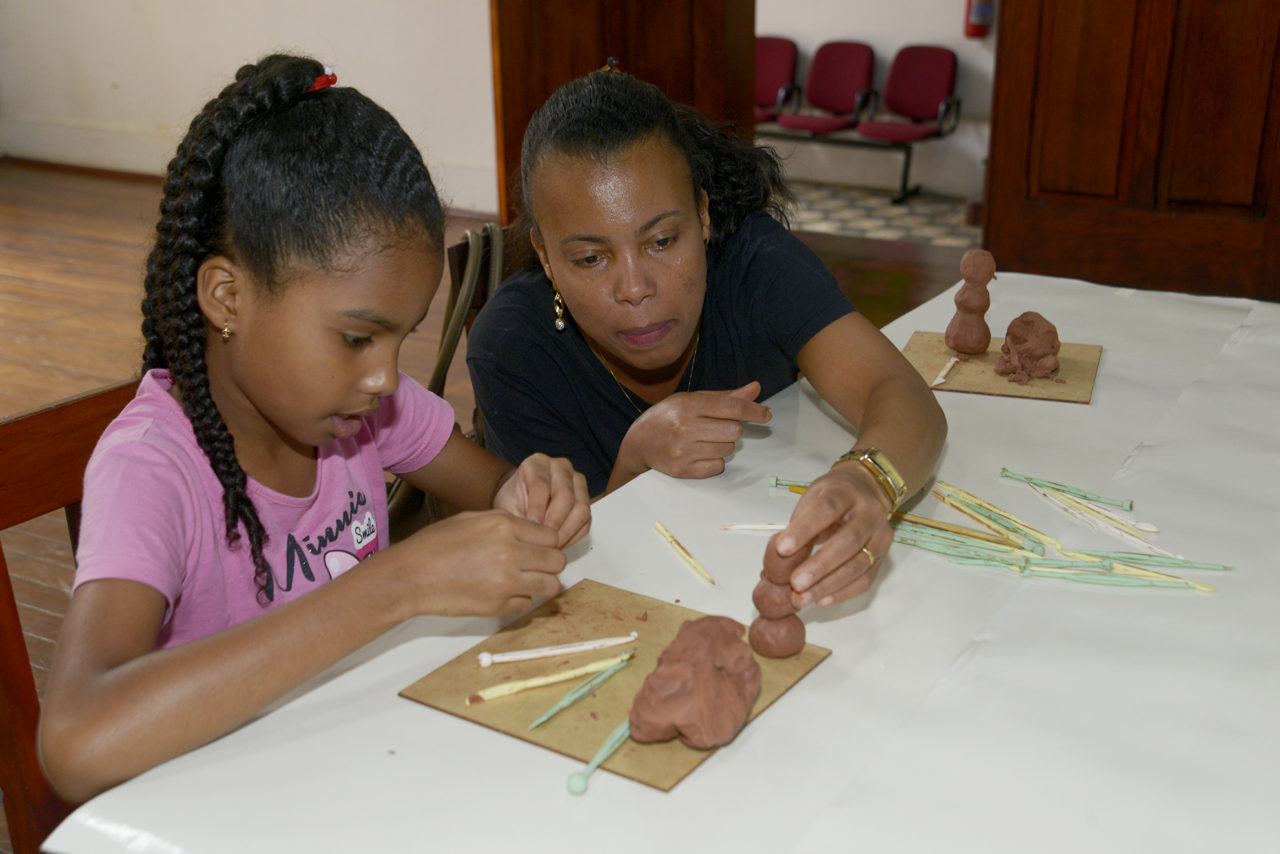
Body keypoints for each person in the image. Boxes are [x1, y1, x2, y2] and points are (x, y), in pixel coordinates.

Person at [38, 55, 590, 803]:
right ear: (227, 296)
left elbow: (498, 489)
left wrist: (535, 490)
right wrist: (394, 586)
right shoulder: (152, 468)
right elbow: (75, 740)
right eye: (359, 339)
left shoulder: (360, 410)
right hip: (225, 810)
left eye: (403, 339)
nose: (386, 377)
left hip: (352, 773)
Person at [467, 68, 946, 611]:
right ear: (547, 258)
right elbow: (556, 566)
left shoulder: (753, 263)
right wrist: (634, 462)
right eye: (590, 258)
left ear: (703, 214)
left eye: (663, 239)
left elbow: (899, 392)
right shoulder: (513, 347)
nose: (635, 288)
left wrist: (867, 482)